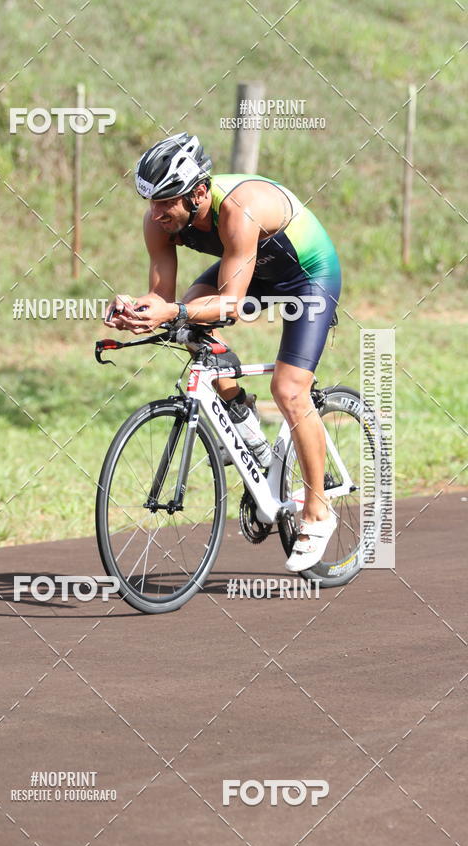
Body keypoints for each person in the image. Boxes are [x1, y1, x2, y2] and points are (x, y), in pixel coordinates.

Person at [105, 132, 342, 572]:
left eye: (165, 203)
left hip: (307, 277)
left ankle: (318, 509)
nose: (155, 214)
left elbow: (230, 305)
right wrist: (139, 312)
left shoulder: (238, 208)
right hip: (249, 265)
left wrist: (172, 310)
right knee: (189, 331)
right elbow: (164, 298)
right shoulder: (158, 220)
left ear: (197, 194)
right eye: (150, 202)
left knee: (290, 389)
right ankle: (246, 426)